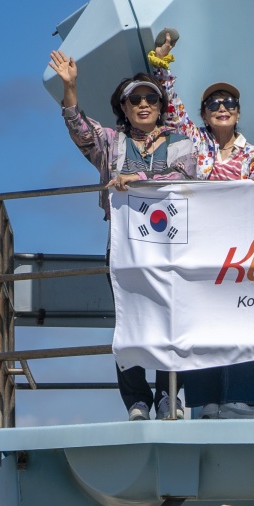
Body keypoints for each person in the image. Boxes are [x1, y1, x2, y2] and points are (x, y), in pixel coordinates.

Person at [48, 46, 201, 421]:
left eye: (151, 98)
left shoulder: (181, 142)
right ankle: (137, 400)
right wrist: (70, 87)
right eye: (135, 99)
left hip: (171, 246)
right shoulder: (111, 143)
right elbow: (79, 128)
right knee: (129, 321)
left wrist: (137, 178)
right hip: (124, 247)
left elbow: (182, 177)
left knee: (172, 319)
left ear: (161, 106)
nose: (144, 104)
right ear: (124, 107)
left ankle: (169, 396)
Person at [116, 80, 254, 419]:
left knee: (242, 317)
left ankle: (239, 399)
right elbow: (172, 107)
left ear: (239, 112)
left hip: (239, 245)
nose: (222, 108)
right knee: (200, 321)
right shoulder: (193, 141)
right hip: (198, 244)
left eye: (229, 103)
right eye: (213, 104)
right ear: (203, 113)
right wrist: (162, 66)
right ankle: (207, 400)